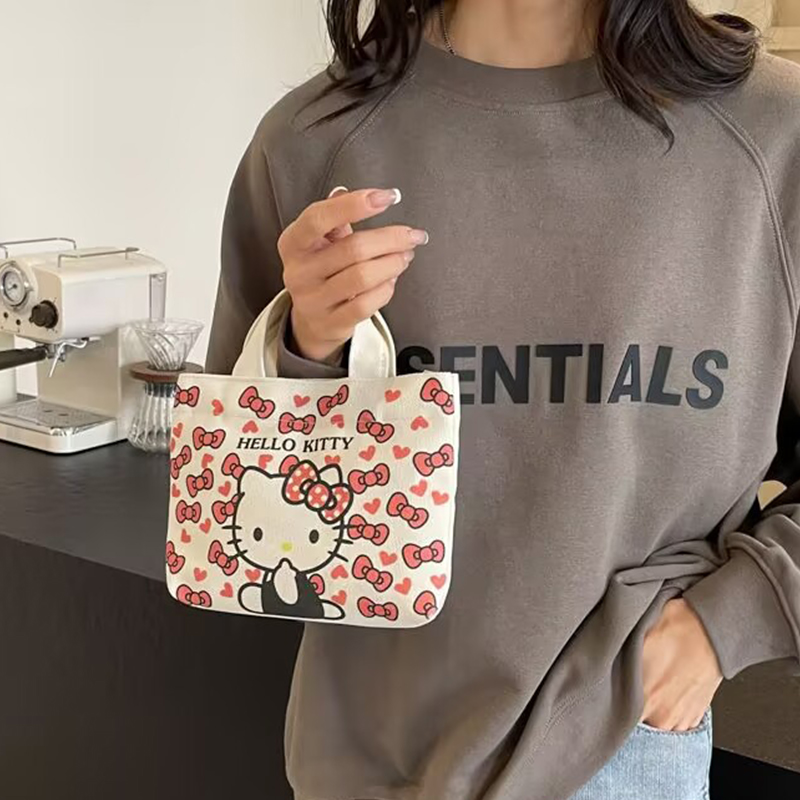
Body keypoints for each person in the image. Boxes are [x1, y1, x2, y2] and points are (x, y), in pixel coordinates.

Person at [205, 1, 800, 798]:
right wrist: (309, 346)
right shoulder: (310, 140)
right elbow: (230, 494)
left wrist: (719, 629)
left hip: (620, 747)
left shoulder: (771, 135)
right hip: (364, 762)